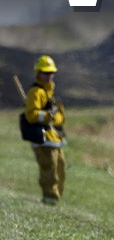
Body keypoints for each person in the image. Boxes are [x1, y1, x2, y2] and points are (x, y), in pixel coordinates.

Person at [23, 55, 67, 205]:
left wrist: (54, 117)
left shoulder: (50, 93)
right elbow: (31, 115)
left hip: (55, 138)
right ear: (38, 73)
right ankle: (49, 201)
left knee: (60, 170)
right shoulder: (36, 92)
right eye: (45, 73)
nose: (49, 76)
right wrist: (49, 116)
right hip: (43, 138)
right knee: (50, 171)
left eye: (51, 73)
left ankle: (55, 200)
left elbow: (61, 118)